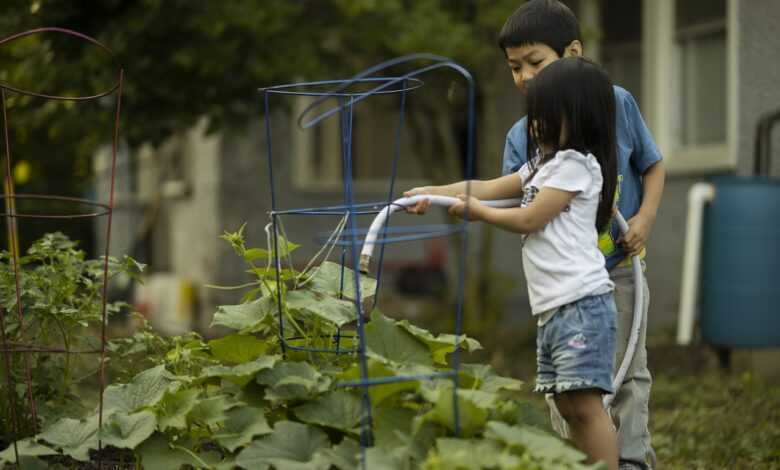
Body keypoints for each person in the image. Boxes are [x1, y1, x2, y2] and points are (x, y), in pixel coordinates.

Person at [405, 56, 620, 470]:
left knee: (587, 406)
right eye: (534, 115)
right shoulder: (542, 166)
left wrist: (479, 214)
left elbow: (530, 218)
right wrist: (428, 192)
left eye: (547, 115)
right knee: (567, 404)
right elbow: (484, 187)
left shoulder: (576, 165)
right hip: (554, 308)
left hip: (581, 305)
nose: (536, 124)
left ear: (579, 115)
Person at [497, 2, 665, 469]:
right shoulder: (522, 135)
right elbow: (522, 201)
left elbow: (652, 166)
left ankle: (631, 461)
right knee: (568, 384)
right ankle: (577, 460)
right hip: (566, 286)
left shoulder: (618, 104)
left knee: (627, 373)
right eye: (515, 68)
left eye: (536, 63)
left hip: (619, 269)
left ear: (573, 53)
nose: (526, 77)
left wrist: (645, 218)